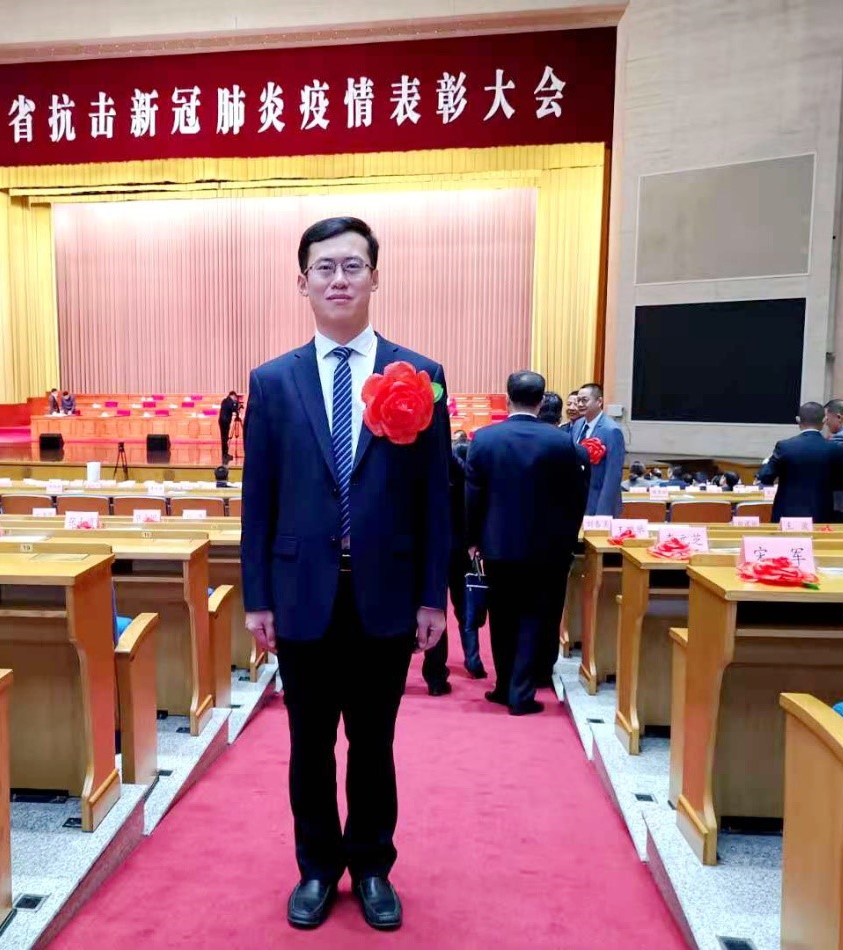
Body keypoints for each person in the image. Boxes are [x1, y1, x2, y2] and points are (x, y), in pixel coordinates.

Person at [241, 216, 449, 932]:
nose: (338, 279)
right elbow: (259, 498)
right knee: (308, 745)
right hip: (301, 595)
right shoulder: (272, 381)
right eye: (324, 268)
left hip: (385, 593)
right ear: (302, 281)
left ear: (374, 277)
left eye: (352, 266)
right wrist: (257, 597)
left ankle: (371, 867)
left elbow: (434, 497)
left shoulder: (420, 376)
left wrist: (432, 595)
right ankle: (315, 868)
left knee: (373, 743)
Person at [465, 371, 589, 716]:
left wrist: (472, 539)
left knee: (502, 616)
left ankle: (504, 686)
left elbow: (473, 496)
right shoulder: (562, 442)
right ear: (541, 400)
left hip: (498, 545)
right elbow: (575, 499)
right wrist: (567, 538)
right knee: (535, 616)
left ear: (508, 399)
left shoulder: (484, 439)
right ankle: (522, 691)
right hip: (547, 548)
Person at [422, 438, 486, 693]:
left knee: (432, 608)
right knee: (465, 609)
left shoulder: (427, 472)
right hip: (461, 549)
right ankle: (473, 661)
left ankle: (435, 676)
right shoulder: (467, 478)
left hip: (430, 550)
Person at [756, 402, 843, 523]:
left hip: (787, 516)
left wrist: (768, 461)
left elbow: (765, 477)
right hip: (820, 515)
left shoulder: (784, 447)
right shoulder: (835, 448)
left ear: (798, 420)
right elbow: (841, 484)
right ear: (824, 420)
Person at [573, 382, 625, 516]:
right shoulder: (578, 424)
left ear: (599, 401)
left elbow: (613, 475)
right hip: (577, 500)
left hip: (598, 500)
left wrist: (603, 512)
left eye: (585, 400)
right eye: (578, 400)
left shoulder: (611, 430)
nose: (580, 404)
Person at [219, 390, 240, 464]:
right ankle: (224, 455)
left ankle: (225, 454)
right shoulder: (229, 401)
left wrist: (236, 404)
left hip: (223, 421)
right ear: (233, 396)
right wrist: (236, 404)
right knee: (224, 438)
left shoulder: (225, 401)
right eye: (235, 398)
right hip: (225, 421)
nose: (235, 399)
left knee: (225, 438)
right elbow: (233, 409)